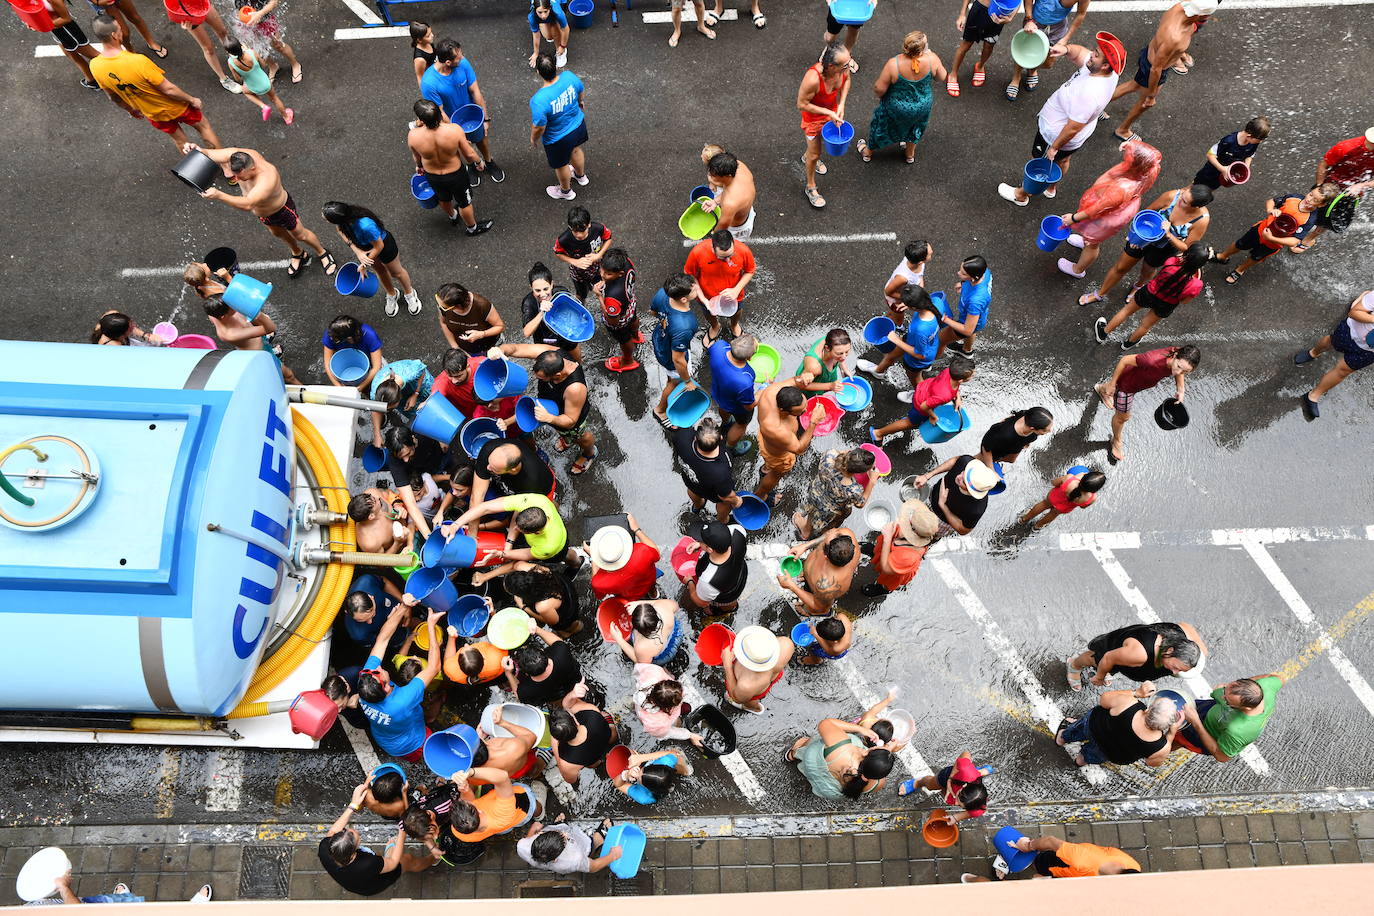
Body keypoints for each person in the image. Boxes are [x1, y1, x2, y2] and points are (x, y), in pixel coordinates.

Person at [996, 33, 1125, 205]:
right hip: (1076, 138)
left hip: (1054, 135)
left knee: (1040, 161)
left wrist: (1054, 147)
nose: (1091, 54)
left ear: (1106, 65)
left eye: (1096, 54)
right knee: (1064, 160)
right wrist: (1065, 49)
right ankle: (1051, 187)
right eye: (1095, 51)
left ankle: (1022, 195)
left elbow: (1073, 127)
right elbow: (1080, 53)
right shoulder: (1107, 72)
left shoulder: (1090, 94)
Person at [186, 144, 336, 278]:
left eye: (239, 175)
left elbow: (247, 204)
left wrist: (219, 195)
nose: (236, 178)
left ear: (252, 168)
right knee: (278, 234)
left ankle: (322, 252)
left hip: (281, 210)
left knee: (300, 234)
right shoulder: (239, 156)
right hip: (264, 214)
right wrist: (199, 150)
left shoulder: (267, 178)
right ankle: (298, 253)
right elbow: (213, 154)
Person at [89, 17, 221, 156]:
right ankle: (225, 167)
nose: (122, 30)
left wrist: (130, 109)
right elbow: (168, 89)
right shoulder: (137, 61)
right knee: (204, 127)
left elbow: (113, 97)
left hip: (153, 114)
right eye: (119, 29)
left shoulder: (95, 66)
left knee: (181, 142)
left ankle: (199, 170)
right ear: (114, 35)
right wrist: (192, 100)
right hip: (175, 106)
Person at [1078, 183, 1211, 308]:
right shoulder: (1172, 196)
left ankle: (1138, 286)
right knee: (1120, 267)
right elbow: (1146, 212)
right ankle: (1100, 294)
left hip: (1165, 248)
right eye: (1182, 195)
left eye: (1185, 201)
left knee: (1147, 270)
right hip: (1145, 235)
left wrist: (1169, 234)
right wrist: (1134, 235)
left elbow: (1186, 248)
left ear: (1196, 207)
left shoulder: (1201, 220)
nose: (1180, 199)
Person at [1106, 0, 1217, 143]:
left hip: (1148, 53)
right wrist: (1151, 95)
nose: (1208, 18)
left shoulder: (1178, 7)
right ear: (1200, 16)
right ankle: (1123, 130)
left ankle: (1097, 107)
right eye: (1207, 16)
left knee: (1133, 85)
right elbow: (1156, 69)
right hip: (1154, 68)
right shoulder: (1175, 38)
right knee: (1143, 104)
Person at [1055, 140, 1162, 279]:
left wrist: (1073, 218)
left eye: (1128, 156)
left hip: (1106, 218)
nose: (1125, 156)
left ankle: (1078, 269)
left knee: (1093, 243)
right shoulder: (1148, 169)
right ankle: (1085, 241)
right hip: (1118, 209)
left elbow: (1095, 210)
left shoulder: (1121, 189)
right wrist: (1129, 146)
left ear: (1134, 164)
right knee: (1089, 238)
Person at [357, 605, 441, 763]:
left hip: (385, 737)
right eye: (378, 672)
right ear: (387, 688)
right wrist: (431, 625)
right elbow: (434, 667)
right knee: (434, 753)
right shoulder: (402, 700)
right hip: (412, 744)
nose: (378, 667)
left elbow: (382, 640)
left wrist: (404, 607)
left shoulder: (366, 681)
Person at [497, 343, 596, 475]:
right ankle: (567, 440)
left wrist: (549, 418)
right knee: (564, 433)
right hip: (551, 405)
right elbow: (516, 348)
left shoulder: (575, 388)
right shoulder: (550, 354)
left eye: (541, 378)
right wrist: (500, 350)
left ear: (558, 375)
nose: (536, 378)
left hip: (570, 416)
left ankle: (589, 453)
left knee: (580, 436)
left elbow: (571, 420)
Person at [1094, 343, 1199, 463]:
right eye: (1179, 367)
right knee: (1123, 417)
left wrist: (1181, 389)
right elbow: (1125, 360)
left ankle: (1103, 389)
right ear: (1175, 356)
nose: (1178, 372)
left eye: (1185, 371)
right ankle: (1116, 441)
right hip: (1127, 387)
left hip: (1137, 382)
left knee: (1113, 390)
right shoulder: (1151, 361)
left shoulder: (1179, 356)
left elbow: (1180, 371)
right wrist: (1113, 384)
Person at [1210, 184, 1336, 284]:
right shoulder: (1294, 198)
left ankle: (1240, 269)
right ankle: (1223, 256)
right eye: (1310, 195)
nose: (1309, 200)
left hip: (1273, 244)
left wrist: (1271, 238)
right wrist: (1271, 210)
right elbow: (1271, 201)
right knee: (1240, 244)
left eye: (1315, 200)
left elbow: (1294, 241)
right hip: (1260, 229)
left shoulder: (1310, 219)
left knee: (1255, 257)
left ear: (1321, 205)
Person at [785, 693, 901, 799]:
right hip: (827, 790)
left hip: (812, 763)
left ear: (866, 752)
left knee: (810, 743)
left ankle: (792, 755)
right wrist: (886, 754)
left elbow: (825, 724)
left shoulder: (843, 747)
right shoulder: (877, 783)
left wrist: (860, 729)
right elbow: (875, 769)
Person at [1093, 243, 1209, 348]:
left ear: (1185, 255)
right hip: (1166, 305)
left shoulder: (1171, 262)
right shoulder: (1196, 284)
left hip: (1150, 292)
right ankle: (1128, 343)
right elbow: (1184, 301)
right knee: (1145, 326)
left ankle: (1103, 333)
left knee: (1126, 311)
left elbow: (1178, 258)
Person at [421, 38, 504, 183]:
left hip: (473, 114)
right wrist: (456, 133)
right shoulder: (429, 83)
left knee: (482, 138)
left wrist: (485, 118)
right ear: (448, 62)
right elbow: (440, 112)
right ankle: (471, 165)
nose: (462, 57)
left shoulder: (463, 63)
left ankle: (489, 161)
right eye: (458, 57)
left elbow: (475, 91)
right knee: (463, 146)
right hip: (451, 120)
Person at [408, 99, 495, 236]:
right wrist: (479, 162)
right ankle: (472, 228)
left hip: (433, 175)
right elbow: (469, 153)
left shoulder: (413, 136)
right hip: (455, 175)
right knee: (464, 202)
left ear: (421, 120)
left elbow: (417, 157)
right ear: (439, 114)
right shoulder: (454, 130)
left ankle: (453, 216)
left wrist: (419, 166)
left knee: (443, 198)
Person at [857, 31, 944, 165]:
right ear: (922, 49)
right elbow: (941, 77)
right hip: (922, 105)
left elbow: (879, 88)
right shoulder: (932, 59)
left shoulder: (894, 64)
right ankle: (909, 154)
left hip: (897, 106)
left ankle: (868, 152)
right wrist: (932, 58)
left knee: (882, 124)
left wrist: (882, 97)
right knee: (915, 126)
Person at [322, 202, 420, 318]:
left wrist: (363, 264)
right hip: (364, 247)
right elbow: (340, 231)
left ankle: (409, 293)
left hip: (383, 245)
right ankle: (392, 293)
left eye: (326, 217)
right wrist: (358, 252)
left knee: (396, 272)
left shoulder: (365, 226)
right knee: (380, 271)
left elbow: (379, 246)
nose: (323, 217)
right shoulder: (343, 220)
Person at [320, 784, 418, 896]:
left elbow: (332, 832)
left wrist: (353, 806)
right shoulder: (367, 864)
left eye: (344, 831)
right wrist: (402, 830)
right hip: (370, 885)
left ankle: (388, 852)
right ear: (353, 852)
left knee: (383, 856)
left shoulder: (325, 847)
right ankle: (432, 859)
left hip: (355, 877)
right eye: (353, 836)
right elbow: (393, 863)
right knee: (407, 860)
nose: (352, 830)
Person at [1057, 682, 1182, 767]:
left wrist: (1137, 693)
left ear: (1148, 710)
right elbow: (1153, 763)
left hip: (1094, 728)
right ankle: (1081, 761)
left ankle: (1062, 738)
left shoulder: (1129, 704)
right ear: (1166, 726)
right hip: (1110, 752)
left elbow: (1104, 699)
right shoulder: (1161, 747)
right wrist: (1171, 734)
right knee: (1093, 755)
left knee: (1077, 730)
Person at [1294, 290, 1374, 420]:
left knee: (1343, 371)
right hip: (1351, 332)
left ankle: (1313, 396)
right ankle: (1313, 352)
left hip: (1369, 352)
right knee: (1331, 342)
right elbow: (1354, 313)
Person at [1174, 673, 1285, 762]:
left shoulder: (1237, 731)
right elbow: (1279, 677)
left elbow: (1222, 756)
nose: (1221, 696)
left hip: (1202, 734)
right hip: (1209, 710)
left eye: (1227, 700)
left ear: (1246, 708)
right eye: (1226, 690)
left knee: (1176, 738)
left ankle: (1160, 750)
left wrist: (1196, 722)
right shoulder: (1266, 685)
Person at [1067, 621, 1206, 691]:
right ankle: (1074, 665)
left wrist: (1201, 654)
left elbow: (1186, 626)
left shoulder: (1181, 637)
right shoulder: (1139, 655)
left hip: (1126, 656)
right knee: (1095, 659)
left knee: (1113, 665)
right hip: (1116, 650)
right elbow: (1109, 657)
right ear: (1170, 650)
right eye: (1175, 667)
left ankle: (1109, 670)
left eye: (1180, 670)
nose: (1175, 673)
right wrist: (1099, 677)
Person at [870, 355, 974, 446]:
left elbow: (955, 386)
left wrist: (957, 397)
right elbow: (924, 406)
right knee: (911, 423)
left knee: (917, 419)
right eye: (972, 375)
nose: (973, 375)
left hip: (924, 389)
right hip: (921, 404)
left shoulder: (950, 371)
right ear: (960, 380)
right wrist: (933, 417)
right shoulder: (944, 396)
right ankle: (878, 433)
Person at [452, 491, 578, 567]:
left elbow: (526, 554)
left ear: (536, 532)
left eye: (520, 529)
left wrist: (502, 553)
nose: (515, 528)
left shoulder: (548, 546)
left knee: (565, 555)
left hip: (557, 547)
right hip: (552, 530)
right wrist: (455, 525)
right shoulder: (536, 500)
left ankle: (577, 562)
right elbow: (485, 508)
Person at [753, 375, 826, 504]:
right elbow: (799, 449)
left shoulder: (773, 391)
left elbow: (795, 380)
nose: (806, 409)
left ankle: (766, 468)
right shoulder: (777, 429)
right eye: (801, 411)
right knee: (776, 474)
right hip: (778, 456)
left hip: (767, 441)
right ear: (783, 411)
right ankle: (761, 495)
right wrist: (813, 422)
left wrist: (805, 377)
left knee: (769, 464)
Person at [798, 40, 852, 209]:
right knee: (815, 155)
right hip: (813, 119)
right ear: (831, 66)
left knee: (817, 149)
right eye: (844, 65)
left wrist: (841, 104)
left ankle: (807, 156)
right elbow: (801, 104)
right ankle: (811, 187)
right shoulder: (812, 79)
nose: (848, 67)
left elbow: (847, 80)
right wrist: (828, 113)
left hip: (832, 111)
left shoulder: (842, 70)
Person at [860, 286, 944, 395]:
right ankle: (878, 371)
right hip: (929, 343)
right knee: (891, 356)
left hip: (919, 357)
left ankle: (920, 395)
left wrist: (896, 340)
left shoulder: (919, 329)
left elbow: (920, 355)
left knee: (915, 378)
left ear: (913, 307)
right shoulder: (936, 302)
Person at [202, 296, 300, 384]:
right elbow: (271, 328)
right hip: (261, 352)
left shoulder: (214, 312)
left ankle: (273, 350)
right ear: (223, 317)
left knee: (265, 339)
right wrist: (259, 314)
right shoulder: (230, 334)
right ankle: (304, 391)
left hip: (258, 339)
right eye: (231, 306)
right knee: (289, 375)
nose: (234, 305)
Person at [530, 54, 588, 201]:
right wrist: (580, 102)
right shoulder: (569, 77)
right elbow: (580, 89)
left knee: (561, 164)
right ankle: (581, 177)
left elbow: (539, 127)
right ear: (556, 67)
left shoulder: (539, 100)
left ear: (538, 72)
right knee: (575, 149)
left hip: (558, 138)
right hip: (578, 126)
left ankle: (566, 192)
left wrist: (533, 139)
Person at [1006, 0, 1090, 100]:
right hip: (1034, 22)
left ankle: (1032, 69)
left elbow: (1081, 13)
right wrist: (1029, 19)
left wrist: (1065, 39)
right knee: (1023, 52)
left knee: (1048, 63)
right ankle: (1016, 77)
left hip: (1058, 29)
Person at [961, 835, 1140, 881]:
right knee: (1038, 861)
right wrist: (1028, 845)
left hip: (1066, 875)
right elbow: (1051, 841)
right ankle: (1007, 859)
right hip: (1058, 863)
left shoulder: (1135, 867)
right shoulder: (1083, 859)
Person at [684, 228, 756, 342]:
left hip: (734, 295)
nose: (728, 260)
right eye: (723, 257)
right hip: (707, 294)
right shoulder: (698, 252)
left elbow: (750, 270)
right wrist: (703, 299)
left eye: (730, 255)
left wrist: (736, 290)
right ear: (713, 249)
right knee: (708, 312)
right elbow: (689, 275)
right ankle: (715, 326)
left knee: (737, 311)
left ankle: (734, 325)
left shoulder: (743, 250)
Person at [1305, 127, 1374, 244]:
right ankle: (1295, 228)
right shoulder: (1347, 147)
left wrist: (1362, 185)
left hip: (1353, 191)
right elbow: (1323, 165)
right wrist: (1320, 186)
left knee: (1329, 219)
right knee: (1310, 206)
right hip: (1331, 185)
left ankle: (1310, 238)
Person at [650, 274, 702, 426]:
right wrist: (687, 381)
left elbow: (653, 312)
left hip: (661, 340)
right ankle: (660, 410)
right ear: (684, 299)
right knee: (675, 381)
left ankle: (671, 379)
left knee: (672, 376)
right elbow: (678, 359)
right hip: (670, 354)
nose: (697, 288)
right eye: (694, 289)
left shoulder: (663, 293)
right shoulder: (685, 325)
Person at [861, 498, 939, 596]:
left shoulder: (909, 557)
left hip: (895, 569)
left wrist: (887, 538)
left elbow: (886, 567)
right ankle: (875, 553)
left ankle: (881, 589)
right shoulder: (917, 529)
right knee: (879, 552)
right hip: (891, 552)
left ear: (914, 531)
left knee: (888, 581)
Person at [913, 454, 1000, 539]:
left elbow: (963, 530)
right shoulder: (966, 462)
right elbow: (956, 460)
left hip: (941, 520)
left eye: (963, 481)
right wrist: (927, 476)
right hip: (931, 494)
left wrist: (943, 505)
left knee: (924, 536)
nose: (958, 477)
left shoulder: (976, 509)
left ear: (971, 491)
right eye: (963, 472)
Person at [672, 420, 743, 522]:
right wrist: (737, 501)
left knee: (694, 490)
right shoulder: (721, 468)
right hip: (711, 491)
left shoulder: (682, 436)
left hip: (691, 482)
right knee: (724, 503)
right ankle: (723, 521)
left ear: (696, 437)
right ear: (721, 439)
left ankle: (697, 507)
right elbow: (726, 496)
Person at [448, 768, 541, 845]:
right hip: (523, 806)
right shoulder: (503, 813)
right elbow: (503, 777)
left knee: (506, 828)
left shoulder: (460, 831)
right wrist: (471, 772)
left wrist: (465, 790)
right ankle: (539, 815)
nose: (463, 800)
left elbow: (470, 801)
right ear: (479, 811)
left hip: (502, 828)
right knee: (534, 805)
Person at [794, 450, 874, 539]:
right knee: (829, 523)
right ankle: (823, 536)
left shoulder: (829, 456)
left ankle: (806, 529)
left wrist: (852, 457)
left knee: (813, 510)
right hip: (831, 509)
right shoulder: (853, 490)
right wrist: (872, 481)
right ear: (861, 473)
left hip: (817, 492)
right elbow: (860, 504)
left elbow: (840, 454)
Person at [779, 527, 860, 615]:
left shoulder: (827, 586)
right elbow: (830, 533)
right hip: (813, 574)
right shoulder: (845, 535)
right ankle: (806, 575)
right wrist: (805, 546)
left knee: (816, 608)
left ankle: (808, 611)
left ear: (825, 556)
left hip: (818, 589)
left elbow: (820, 607)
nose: (831, 533)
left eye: (826, 541)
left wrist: (791, 586)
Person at [946, 0, 1017, 99]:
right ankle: (953, 74)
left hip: (999, 15)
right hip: (979, 10)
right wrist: (962, 14)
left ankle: (980, 66)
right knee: (966, 44)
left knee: (989, 45)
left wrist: (1010, 18)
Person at [722, 625, 794, 713]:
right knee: (755, 689)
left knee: (749, 700)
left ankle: (753, 708)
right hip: (772, 675)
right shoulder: (786, 644)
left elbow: (736, 698)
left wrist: (727, 665)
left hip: (754, 688)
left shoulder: (747, 685)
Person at [898, 753, 989, 822]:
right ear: (963, 787)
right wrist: (950, 778)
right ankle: (917, 783)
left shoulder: (978, 807)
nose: (956, 803)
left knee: (973, 773)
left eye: (961, 806)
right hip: (954, 775)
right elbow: (965, 753)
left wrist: (955, 818)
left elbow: (973, 813)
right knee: (930, 785)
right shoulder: (965, 772)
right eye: (958, 799)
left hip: (966, 778)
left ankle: (981, 771)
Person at [504, 628, 583, 706]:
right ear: (542, 650)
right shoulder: (561, 652)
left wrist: (508, 673)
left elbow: (518, 696)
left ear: (526, 673)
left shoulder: (527, 691)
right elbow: (557, 641)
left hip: (555, 698)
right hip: (576, 683)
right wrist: (537, 629)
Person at [520, 262, 582, 361]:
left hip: (566, 336)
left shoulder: (561, 292)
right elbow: (527, 332)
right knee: (551, 369)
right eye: (537, 290)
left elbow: (574, 312)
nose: (543, 294)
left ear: (552, 284)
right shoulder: (529, 302)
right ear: (531, 288)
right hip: (544, 342)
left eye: (546, 289)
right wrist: (541, 312)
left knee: (577, 364)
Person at [684, 519, 749, 612]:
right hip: (741, 574)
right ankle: (733, 607)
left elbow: (700, 602)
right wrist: (700, 544)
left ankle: (725, 610)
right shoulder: (737, 530)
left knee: (725, 602)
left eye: (701, 540)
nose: (698, 540)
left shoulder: (708, 579)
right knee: (732, 600)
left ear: (710, 549)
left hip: (725, 595)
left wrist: (689, 582)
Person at [497, 563, 581, 636]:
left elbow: (554, 622)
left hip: (568, 608)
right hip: (565, 586)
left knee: (563, 626)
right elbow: (516, 565)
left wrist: (523, 607)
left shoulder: (542, 606)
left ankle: (570, 630)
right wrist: (486, 576)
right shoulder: (539, 570)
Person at [588, 517, 660, 601]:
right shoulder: (642, 551)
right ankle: (654, 595)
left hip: (627, 595)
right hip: (648, 581)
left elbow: (600, 596)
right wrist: (636, 529)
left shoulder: (598, 583)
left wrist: (593, 557)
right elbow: (656, 552)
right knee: (651, 586)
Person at [547, 695, 617, 781]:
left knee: (592, 763)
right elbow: (572, 703)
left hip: (591, 759)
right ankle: (613, 731)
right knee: (610, 733)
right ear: (576, 721)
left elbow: (571, 780)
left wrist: (554, 746)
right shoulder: (591, 712)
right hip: (605, 735)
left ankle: (599, 763)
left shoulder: (568, 761)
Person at [707, 335, 757, 454]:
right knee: (741, 424)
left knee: (723, 407)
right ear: (749, 358)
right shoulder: (745, 379)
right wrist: (764, 388)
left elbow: (710, 349)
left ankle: (726, 422)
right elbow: (749, 406)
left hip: (719, 392)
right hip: (737, 405)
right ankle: (730, 447)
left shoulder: (719, 347)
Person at [222, 39, 292, 123]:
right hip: (265, 82)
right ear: (240, 45)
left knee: (245, 91)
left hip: (252, 86)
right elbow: (263, 64)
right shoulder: (252, 52)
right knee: (274, 98)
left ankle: (263, 106)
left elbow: (238, 79)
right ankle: (286, 117)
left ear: (230, 52)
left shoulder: (231, 63)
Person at [233, 0, 303, 84]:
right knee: (258, 47)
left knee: (278, 45)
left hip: (265, 20)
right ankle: (272, 66)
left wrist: (260, 14)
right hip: (246, 22)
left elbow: (274, 2)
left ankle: (295, 64)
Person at [518, 818, 623, 874]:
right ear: (555, 860)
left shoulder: (522, 846)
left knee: (561, 827)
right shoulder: (573, 860)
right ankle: (595, 842)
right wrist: (613, 856)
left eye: (559, 834)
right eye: (565, 840)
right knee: (587, 845)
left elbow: (531, 834)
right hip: (580, 846)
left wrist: (534, 828)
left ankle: (559, 824)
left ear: (540, 834)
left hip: (547, 845)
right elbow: (593, 867)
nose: (565, 834)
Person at [468, 438, 554, 505]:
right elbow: (476, 496)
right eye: (489, 462)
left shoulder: (532, 483)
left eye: (494, 468)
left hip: (541, 488)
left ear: (512, 469)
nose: (487, 468)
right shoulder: (490, 449)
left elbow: (523, 505)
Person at [370, 356, 435, 445]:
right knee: (416, 413)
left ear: (400, 397)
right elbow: (376, 409)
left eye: (391, 408)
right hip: (399, 392)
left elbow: (422, 370)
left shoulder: (410, 373)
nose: (388, 411)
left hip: (419, 384)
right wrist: (377, 435)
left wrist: (416, 393)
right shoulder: (375, 392)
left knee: (434, 402)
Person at [593, 247, 639, 372]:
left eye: (608, 274)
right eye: (602, 269)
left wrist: (599, 297)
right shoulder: (627, 262)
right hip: (630, 303)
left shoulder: (612, 297)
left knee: (624, 339)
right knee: (634, 318)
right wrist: (605, 279)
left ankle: (627, 361)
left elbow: (613, 321)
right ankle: (637, 336)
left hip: (620, 317)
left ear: (620, 274)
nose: (602, 274)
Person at [1194, 117, 1269, 190]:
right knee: (1194, 188)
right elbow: (1210, 155)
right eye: (1260, 140)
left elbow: (1250, 154)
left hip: (1225, 174)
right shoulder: (1228, 141)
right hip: (1211, 171)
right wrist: (1222, 169)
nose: (1260, 142)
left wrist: (1246, 166)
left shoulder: (1253, 142)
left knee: (1210, 189)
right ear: (1249, 136)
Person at [553, 206, 612, 300]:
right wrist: (574, 262)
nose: (579, 235)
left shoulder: (598, 228)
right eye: (575, 231)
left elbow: (608, 238)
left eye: (582, 230)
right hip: (578, 273)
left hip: (598, 266)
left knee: (603, 289)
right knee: (581, 294)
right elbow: (558, 253)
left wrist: (599, 255)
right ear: (570, 227)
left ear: (589, 224)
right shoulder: (563, 239)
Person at [938, 256, 993, 356]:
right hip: (979, 318)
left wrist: (946, 320)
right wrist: (963, 284)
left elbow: (967, 330)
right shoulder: (984, 272)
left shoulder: (975, 301)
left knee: (940, 340)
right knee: (973, 329)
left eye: (963, 273)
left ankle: (927, 364)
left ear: (973, 278)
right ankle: (966, 351)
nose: (958, 273)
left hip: (966, 322)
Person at [39, 0, 100, 89]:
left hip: (65, 29)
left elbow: (66, 19)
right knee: (70, 54)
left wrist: (41, 26)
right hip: (55, 29)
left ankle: (120, 73)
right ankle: (92, 80)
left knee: (94, 55)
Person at [1020, 468, 1106, 529]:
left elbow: (1054, 483)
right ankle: (1038, 526)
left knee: (1043, 505)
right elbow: (1083, 506)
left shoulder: (1069, 478)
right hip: (1063, 508)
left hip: (1053, 498)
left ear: (1084, 477)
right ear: (1095, 490)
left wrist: (1077, 476)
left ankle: (1025, 518)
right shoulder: (1091, 498)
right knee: (1053, 514)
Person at [611, 599, 688, 667]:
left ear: (635, 627)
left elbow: (641, 662)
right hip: (676, 635)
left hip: (664, 656)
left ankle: (663, 668)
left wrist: (619, 639)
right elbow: (676, 605)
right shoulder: (662, 608)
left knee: (647, 660)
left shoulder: (642, 646)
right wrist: (640, 603)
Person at [699, 151, 757, 240]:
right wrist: (715, 202)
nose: (710, 176)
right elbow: (730, 191)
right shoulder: (739, 166)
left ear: (727, 176)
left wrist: (713, 234)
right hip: (744, 210)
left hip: (737, 229)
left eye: (713, 175)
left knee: (730, 249)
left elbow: (722, 227)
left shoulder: (730, 203)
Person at [339, 572, 403, 650]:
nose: (370, 622)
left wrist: (403, 602)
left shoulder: (367, 581)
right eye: (361, 620)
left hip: (400, 605)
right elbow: (379, 643)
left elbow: (384, 582)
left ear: (371, 597)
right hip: (394, 634)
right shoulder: (358, 634)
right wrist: (390, 623)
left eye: (372, 614)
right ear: (347, 612)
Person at [347, 487, 415, 557]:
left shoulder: (371, 492)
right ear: (371, 516)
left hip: (409, 522)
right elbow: (382, 564)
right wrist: (397, 543)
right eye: (375, 501)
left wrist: (397, 505)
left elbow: (387, 493)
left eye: (372, 496)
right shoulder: (370, 542)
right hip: (404, 547)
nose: (377, 496)